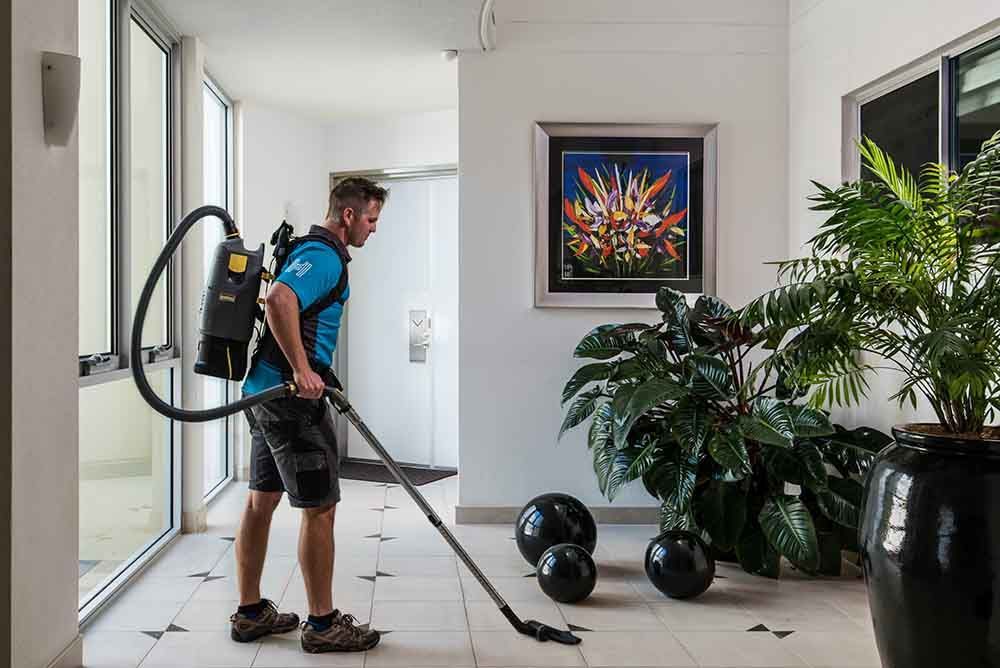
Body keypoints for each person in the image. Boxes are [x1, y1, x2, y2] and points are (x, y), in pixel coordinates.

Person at [228, 177, 388, 653]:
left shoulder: (308, 250)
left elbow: (283, 301)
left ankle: (251, 612)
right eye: (372, 219)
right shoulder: (323, 256)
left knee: (261, 501)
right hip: (289, 402)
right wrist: (303, 370)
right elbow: (279, 299)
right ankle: (322, 626)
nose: (373, 230)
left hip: (262, 394)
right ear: (348, 216)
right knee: (319, 509)